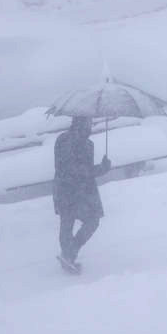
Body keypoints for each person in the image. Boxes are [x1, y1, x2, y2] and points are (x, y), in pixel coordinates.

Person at [53, 116, 111, 271]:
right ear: (79, 123)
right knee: (70, 222)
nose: (90, 126)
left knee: (87, 221)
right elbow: (72, 169)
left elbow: (84, 169)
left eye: (91, 123)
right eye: (88, 123)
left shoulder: (86, 143)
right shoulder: (66, 141)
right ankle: (69, 255)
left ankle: (69, 254)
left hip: (80, 190)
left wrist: (101, 167)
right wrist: (99, 169)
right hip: (69, 190)